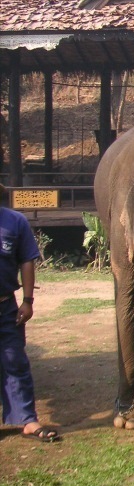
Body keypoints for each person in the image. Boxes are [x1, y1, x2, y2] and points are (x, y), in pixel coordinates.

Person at [0, 183, 60, 443]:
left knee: (15, 361)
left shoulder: (15, 222)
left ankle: (26, 419)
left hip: (6, 307)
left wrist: (28, 300)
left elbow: (26, 260)